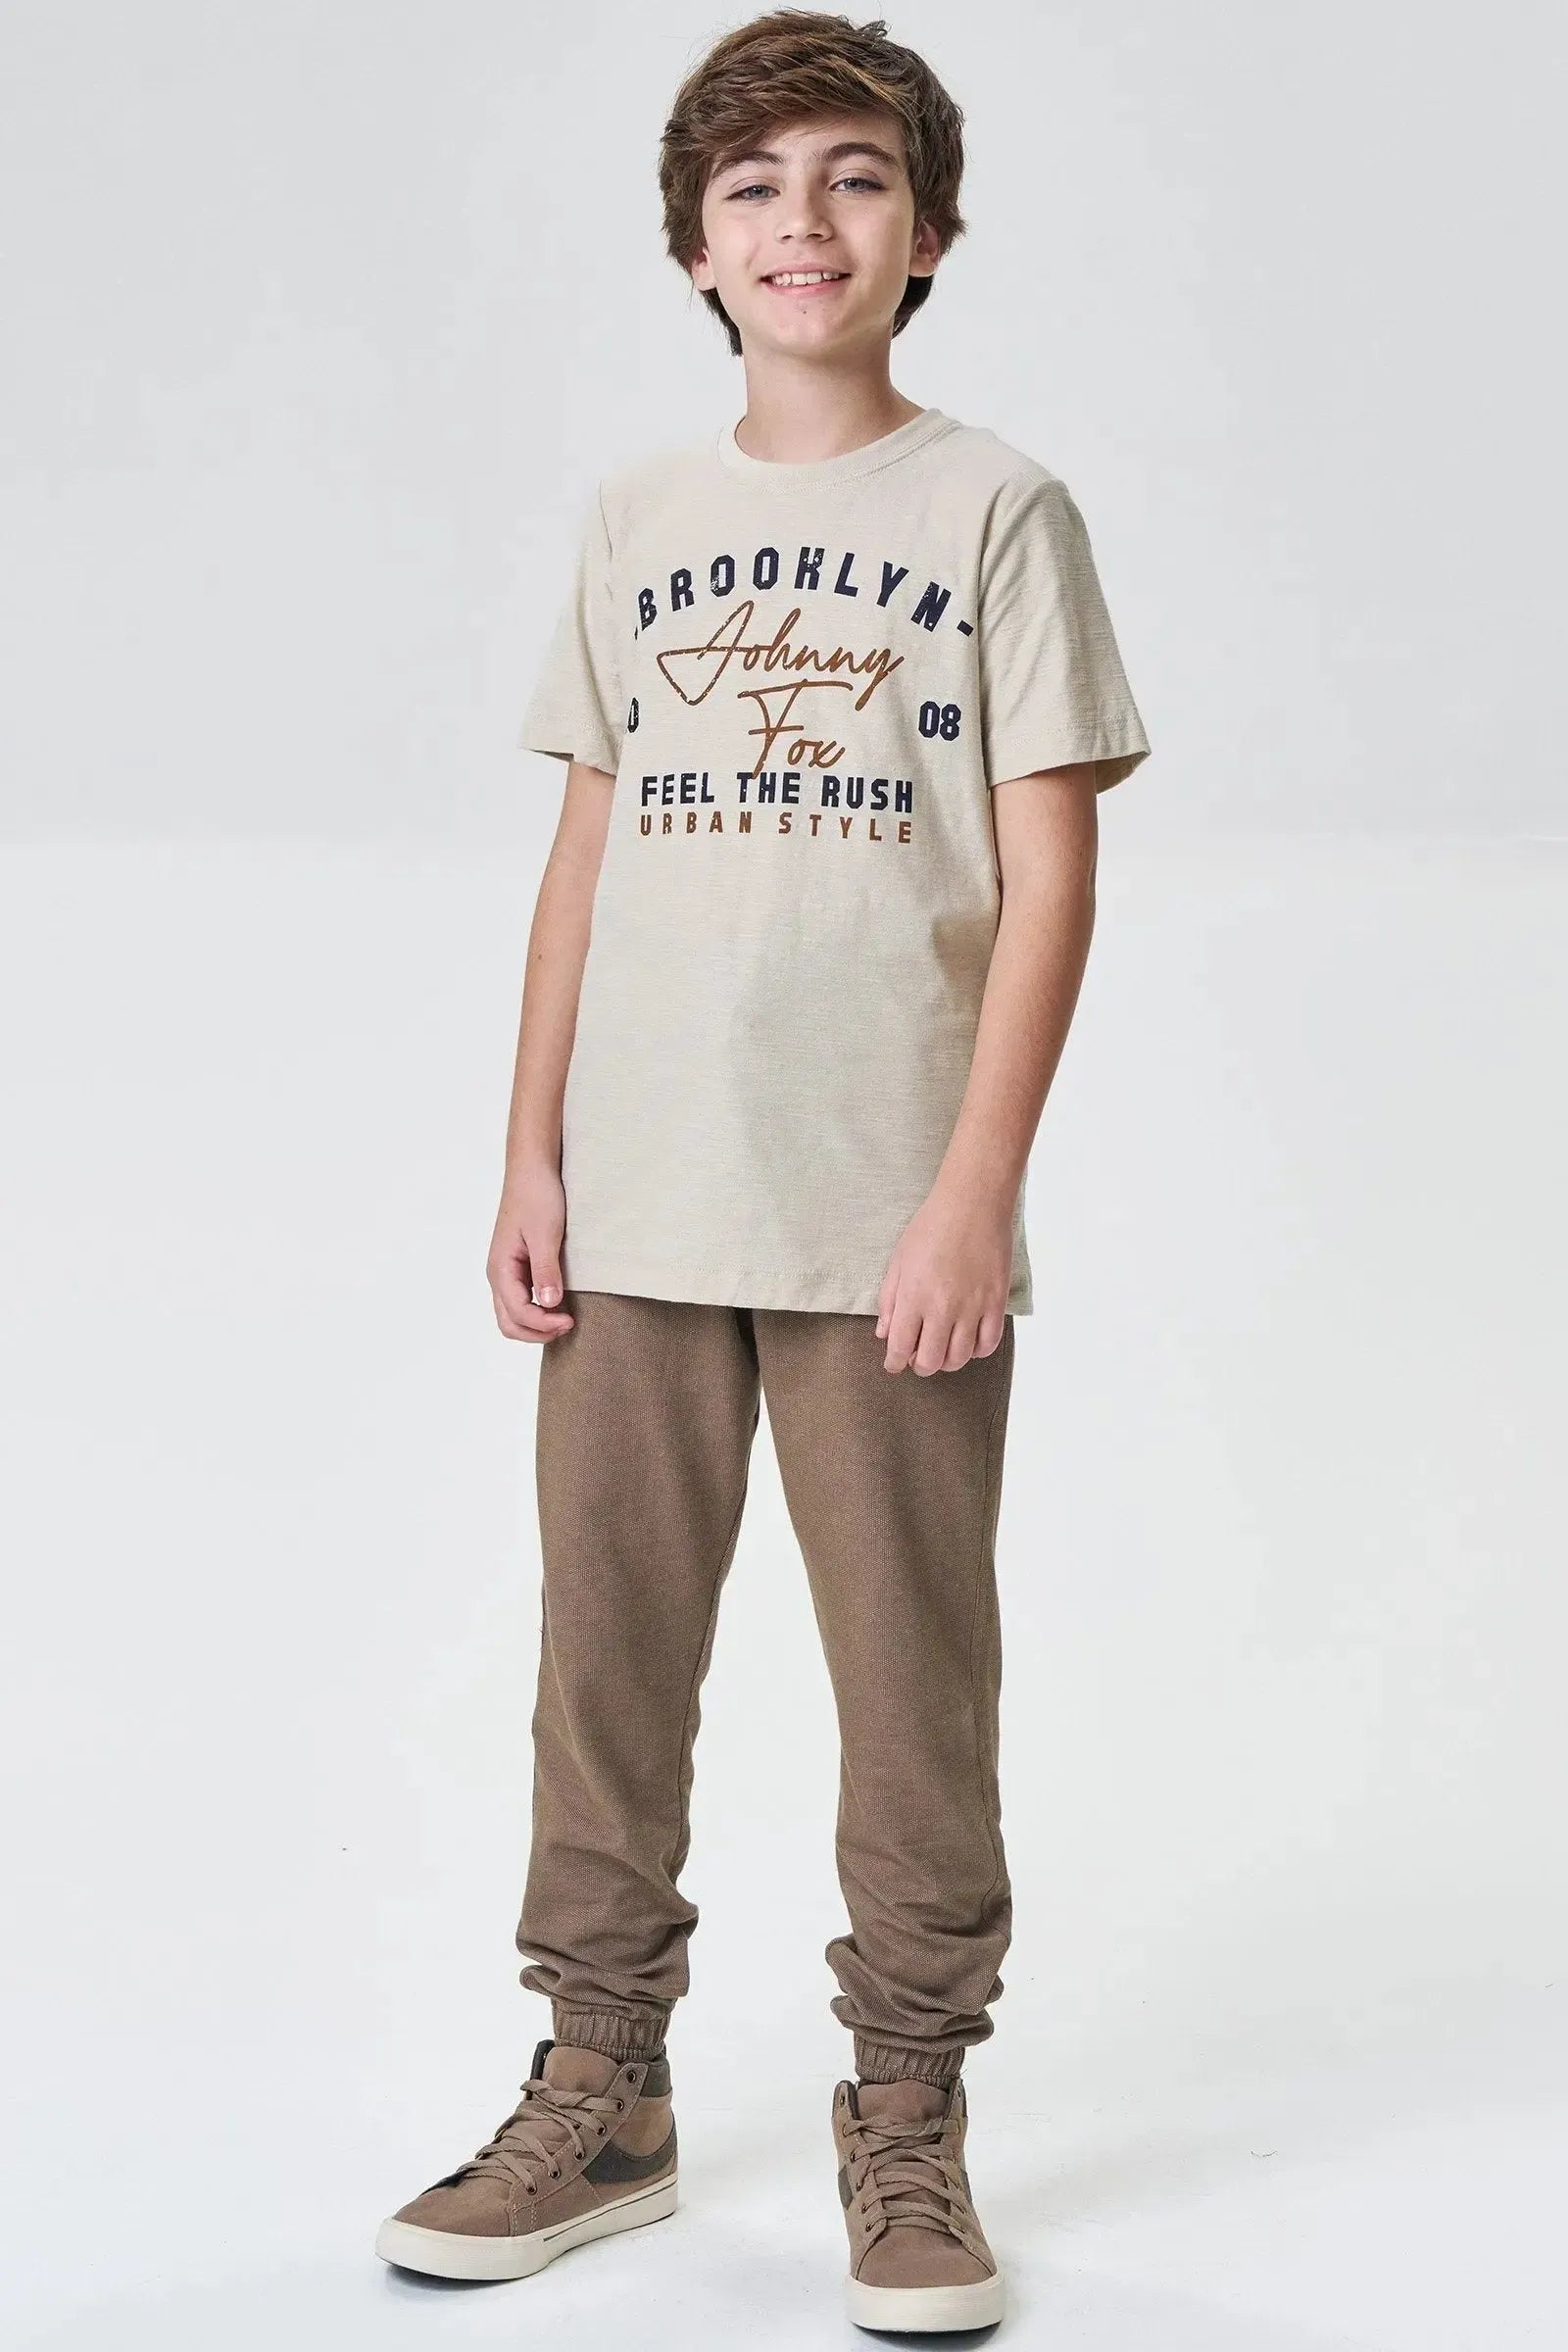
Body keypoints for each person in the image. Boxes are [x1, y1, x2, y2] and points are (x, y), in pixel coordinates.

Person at [375, 8, 1150, 2332]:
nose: (801, 221)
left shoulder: (993, 510)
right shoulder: (635, 517)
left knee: (912, 1683)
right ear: (694, 251)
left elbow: (1047, 876)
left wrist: (970, 1191)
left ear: (926, 234)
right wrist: (526, 1151)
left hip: (879, 1209)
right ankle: (598, 2085)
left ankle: (904, 2114)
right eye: (752, 189)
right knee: (603, 1666)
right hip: (635, 1201)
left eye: (851, 178)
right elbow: (583, 852)